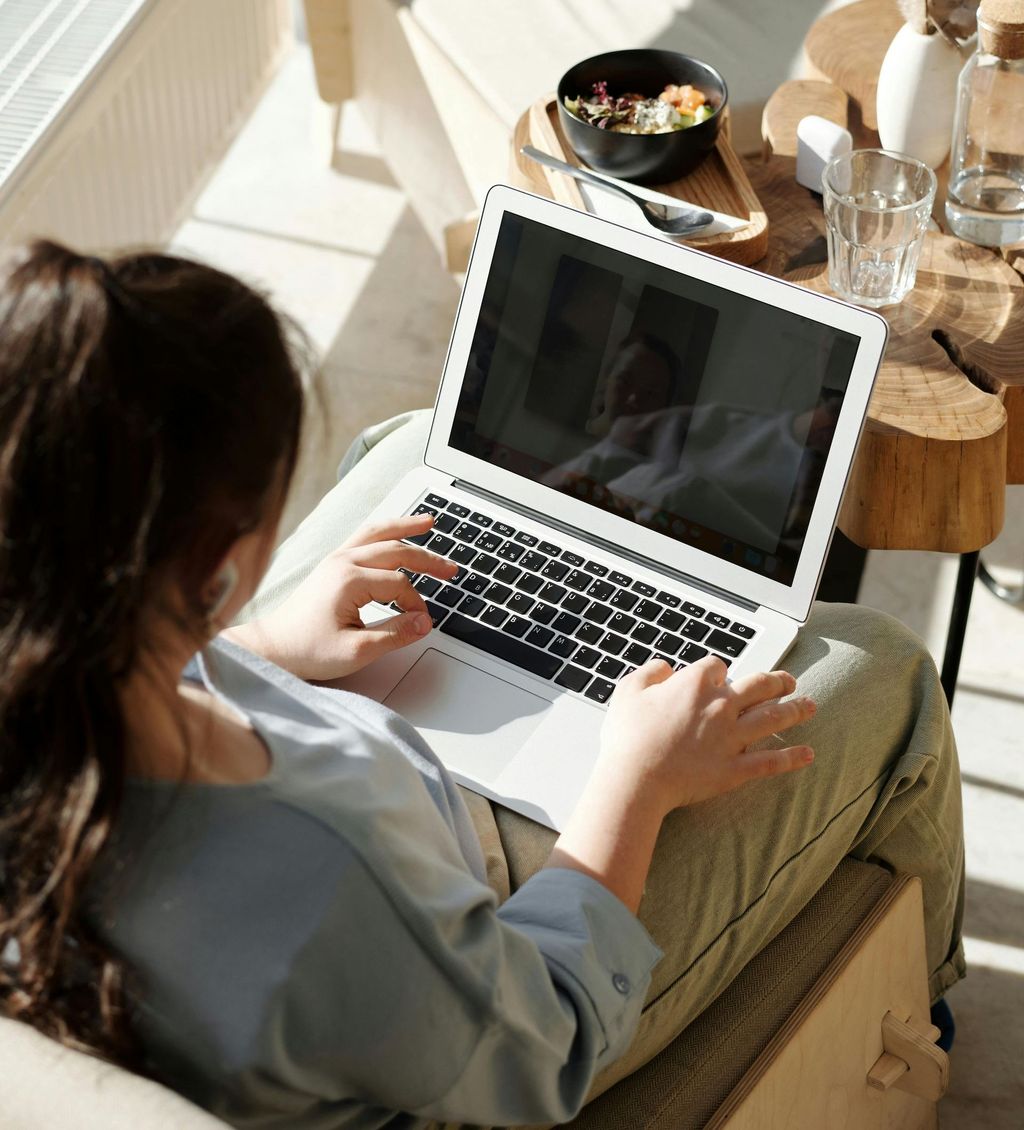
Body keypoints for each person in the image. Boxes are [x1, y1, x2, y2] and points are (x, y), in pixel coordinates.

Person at [0, 242, 965, 1130]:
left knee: (411, 440)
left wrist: (250, 650)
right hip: (491, 996)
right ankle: (922, 1022)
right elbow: (546, 1040)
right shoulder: (324, 869)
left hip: (334, 919)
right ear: (216, 557)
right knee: (885, 670)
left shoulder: (51, 687)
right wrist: (637, 780)